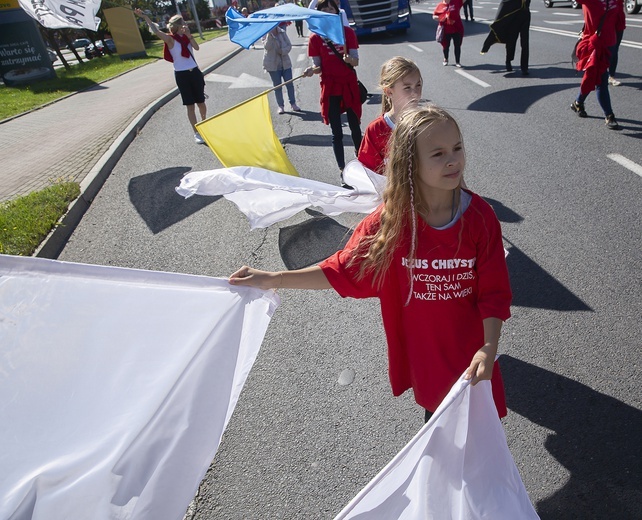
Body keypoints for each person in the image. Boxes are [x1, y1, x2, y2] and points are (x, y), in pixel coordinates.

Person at [229, 105, 512, 423]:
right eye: (438, 153)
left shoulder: (480, 219)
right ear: (411, 163)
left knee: (481, 446)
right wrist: (274, 278)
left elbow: (494, 292)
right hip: (428, 361)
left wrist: (488, 347)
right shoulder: (390, 223)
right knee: (441, 441)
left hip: (472, 358)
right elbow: (343, 270)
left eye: (457, 148)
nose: (453, 160)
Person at [304, 0, 363, 188]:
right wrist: (311, 70)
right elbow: (318, 66)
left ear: (337, 12)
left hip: (348, 85)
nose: (328, 12)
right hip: (330, 88)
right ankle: (342, 170)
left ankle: (362, 163)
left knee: (355, 128)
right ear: (319, 15)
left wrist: (349, 59)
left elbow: (356, 62)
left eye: (331, 9)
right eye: (324, 10)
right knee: (336, 133)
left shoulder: (348, 33)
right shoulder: (315, 39)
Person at [135, 9, 207, 144]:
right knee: (190, 106)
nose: (185, 24)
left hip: (195, 73)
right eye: (183, 23)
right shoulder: (170, 39)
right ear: (178, 26)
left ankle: (204, 124)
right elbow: (156, 31)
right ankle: (196, 132)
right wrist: (145, 18)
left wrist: (190, 35)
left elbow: (196, 48)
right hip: (182, 75)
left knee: (201, 103)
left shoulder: (187, 37)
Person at [358, 57, 423, 175]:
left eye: (418, 85)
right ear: (389, 92)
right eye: (407, 87)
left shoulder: (429, 123)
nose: (415, 93)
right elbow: (368, 176)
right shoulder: (376, 130)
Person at [571, 0, 620, 129]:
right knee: (601, 80)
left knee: (593, 76)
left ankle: (578, 102)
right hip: (596, 45)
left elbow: (619, 17)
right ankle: (609, 115)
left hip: (611, 44)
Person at [480, 0, 530, 75]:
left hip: (525, 13)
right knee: (512, 40)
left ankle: (524, 67)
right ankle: (508, 61)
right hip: (514, 13)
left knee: (525, 42)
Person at [262, 24, 301, 114]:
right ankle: (281, 106)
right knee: (277, 86)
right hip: (273, 65)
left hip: (285, 63)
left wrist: (283, 51)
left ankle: (293, 104)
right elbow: (267, 47)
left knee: (289, 84)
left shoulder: (282, 32)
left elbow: (289, 45)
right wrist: (269, 35)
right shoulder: (265, 34)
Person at [433, 0, 465, 68]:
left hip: (457, 28)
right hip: (446, 30)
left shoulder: (456, 2)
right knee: (446, 46)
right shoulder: (440, 5)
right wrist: (441, 18)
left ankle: (457, 62)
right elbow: (434, 16)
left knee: (457, 45)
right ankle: (446, 58)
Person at [608, 0, 625, 86]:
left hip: (619, 21)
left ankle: (611, 76)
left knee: (614, 50)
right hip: (607, 22)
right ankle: (600, 76)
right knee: (609, 50)